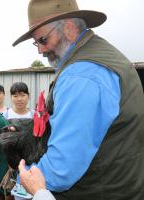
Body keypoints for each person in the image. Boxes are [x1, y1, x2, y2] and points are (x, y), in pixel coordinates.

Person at [12, 0, 144, 199]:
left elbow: (61, 169)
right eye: (36, 43)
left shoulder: (80, 75)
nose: (40, 50)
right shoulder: (102, 57)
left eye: (43, 40)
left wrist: (24, 175)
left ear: (68, 27)